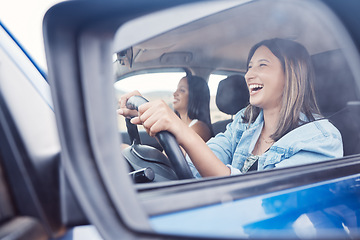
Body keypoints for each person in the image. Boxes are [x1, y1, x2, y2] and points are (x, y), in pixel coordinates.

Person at [118, 38, 343, 178]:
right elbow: (197, 165)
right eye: (249, 67)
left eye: (262, 65)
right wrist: (156, 123)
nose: (249, 75)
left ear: (291, 75)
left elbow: (264, 201)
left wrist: (181, 129)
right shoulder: (243, 123)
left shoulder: (321, 139)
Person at [173, 75, 213, 142]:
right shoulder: (178, 125)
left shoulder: (199, 128)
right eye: (177, 89)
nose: (174, 93)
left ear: (195, 96)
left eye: (182, 90)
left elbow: (176, 151)